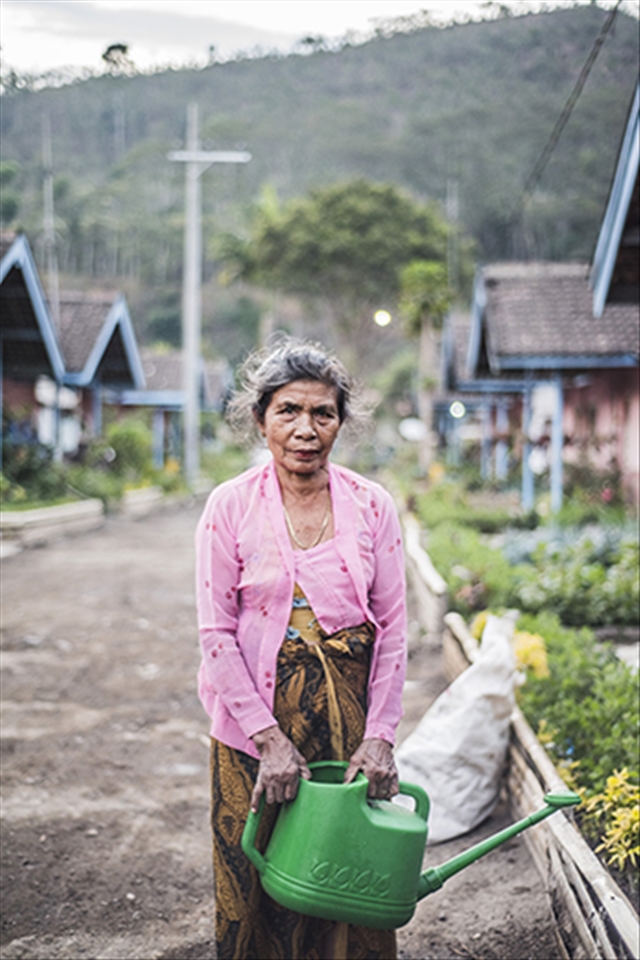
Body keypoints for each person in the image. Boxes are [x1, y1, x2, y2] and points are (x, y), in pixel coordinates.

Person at [195, 339, 408, 960]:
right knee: (254, 880)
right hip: (250, 733)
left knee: (346, 879)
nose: (305, 430)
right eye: (288, 411)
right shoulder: (229, 506)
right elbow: (216, 634)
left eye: (323, 413)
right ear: (260, 420)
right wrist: (268, 740)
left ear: (342, 422)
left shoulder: (372, 505)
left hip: (348, 734)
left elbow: (393, 630)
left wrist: (381, 736)